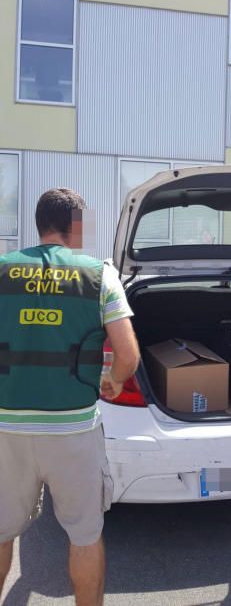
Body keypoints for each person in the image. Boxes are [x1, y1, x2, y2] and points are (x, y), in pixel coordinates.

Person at [0, 188, 140, 605]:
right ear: (75, 228)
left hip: (6, 429)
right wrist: (113, 380)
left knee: (2, 531)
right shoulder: (99, 275)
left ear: (39, 224)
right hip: (73, 430)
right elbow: (128, 356)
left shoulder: (3, 270)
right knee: (84, 535)